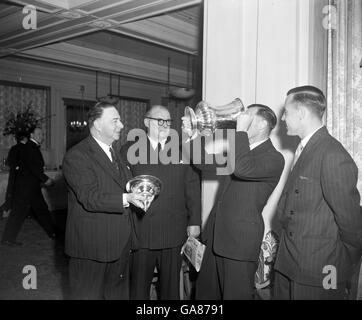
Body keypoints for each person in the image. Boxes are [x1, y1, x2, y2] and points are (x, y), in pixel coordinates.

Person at [182, 104, 285, 299]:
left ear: (262, 124)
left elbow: (242, 169)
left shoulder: (274, 158)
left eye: (247, 117)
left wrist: (240, 131)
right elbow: (202, 162)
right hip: (215, 237)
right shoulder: (239, 153)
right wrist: (193, 135)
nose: (241, 120)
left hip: (239, 243)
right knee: (206, 295)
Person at [273, 85, 362, 300]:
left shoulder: (332, 154)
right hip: (289, 262)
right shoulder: (305, 148)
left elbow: (350, 222)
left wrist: (338, 261)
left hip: (320, 269)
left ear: (301, 113)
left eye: (286, 112)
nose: (283, 118)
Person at [62, 101, 146, 300]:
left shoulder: (115, 154)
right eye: (115, 121)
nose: (122, 125)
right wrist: (128, 198)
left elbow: (119, 185)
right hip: (92, 247)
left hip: (120, 244)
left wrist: (140, 189)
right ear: (97, 125)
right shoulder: (77, 156)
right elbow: (90, 197)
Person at [120, 105, 201, 300]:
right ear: (147, 122)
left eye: (168, 121)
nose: (165, 125)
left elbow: (192, 187)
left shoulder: (184, 149)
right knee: (138, 288)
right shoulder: (128, 150)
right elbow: (121, 187)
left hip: (174, 231)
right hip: (141, 231)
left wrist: (195, 221)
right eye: (160, 120)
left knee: (171, 290)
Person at [1, 127, 56, 246]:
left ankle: (53, 233)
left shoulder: (30, 146)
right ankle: (7, 239)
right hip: (26, 188)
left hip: (29, 188)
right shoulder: (30, 147)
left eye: (43, 133)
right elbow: (34, 167)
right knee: (22, 213)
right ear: (32, 135)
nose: (42, 136)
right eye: (39, 133)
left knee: (40, 211)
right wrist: (46, 180)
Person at [0, 134, 28, 219]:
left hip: (13, 174)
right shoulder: (27, 149)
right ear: (25, 138)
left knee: (11, 192)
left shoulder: (14, 148)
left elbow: (9, 162)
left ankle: (7, 210)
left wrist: (15, 167)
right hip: (23, 175)